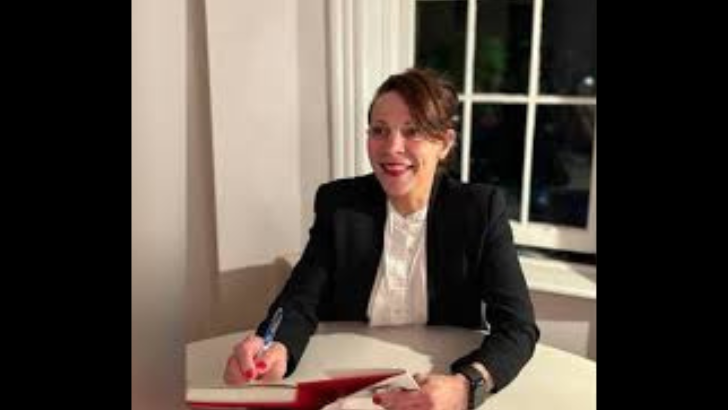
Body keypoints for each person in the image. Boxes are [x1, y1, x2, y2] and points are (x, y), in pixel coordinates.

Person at [223, 68, 539, 410]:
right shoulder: (339, 204)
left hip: (439, 382)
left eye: (412, 131)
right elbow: (300, 300)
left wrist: (467, 386)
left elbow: (518, 327)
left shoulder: (480, 209)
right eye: (379, 130)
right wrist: (274, 346)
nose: (392, 147)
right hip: (346, 384)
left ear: (445, 143)